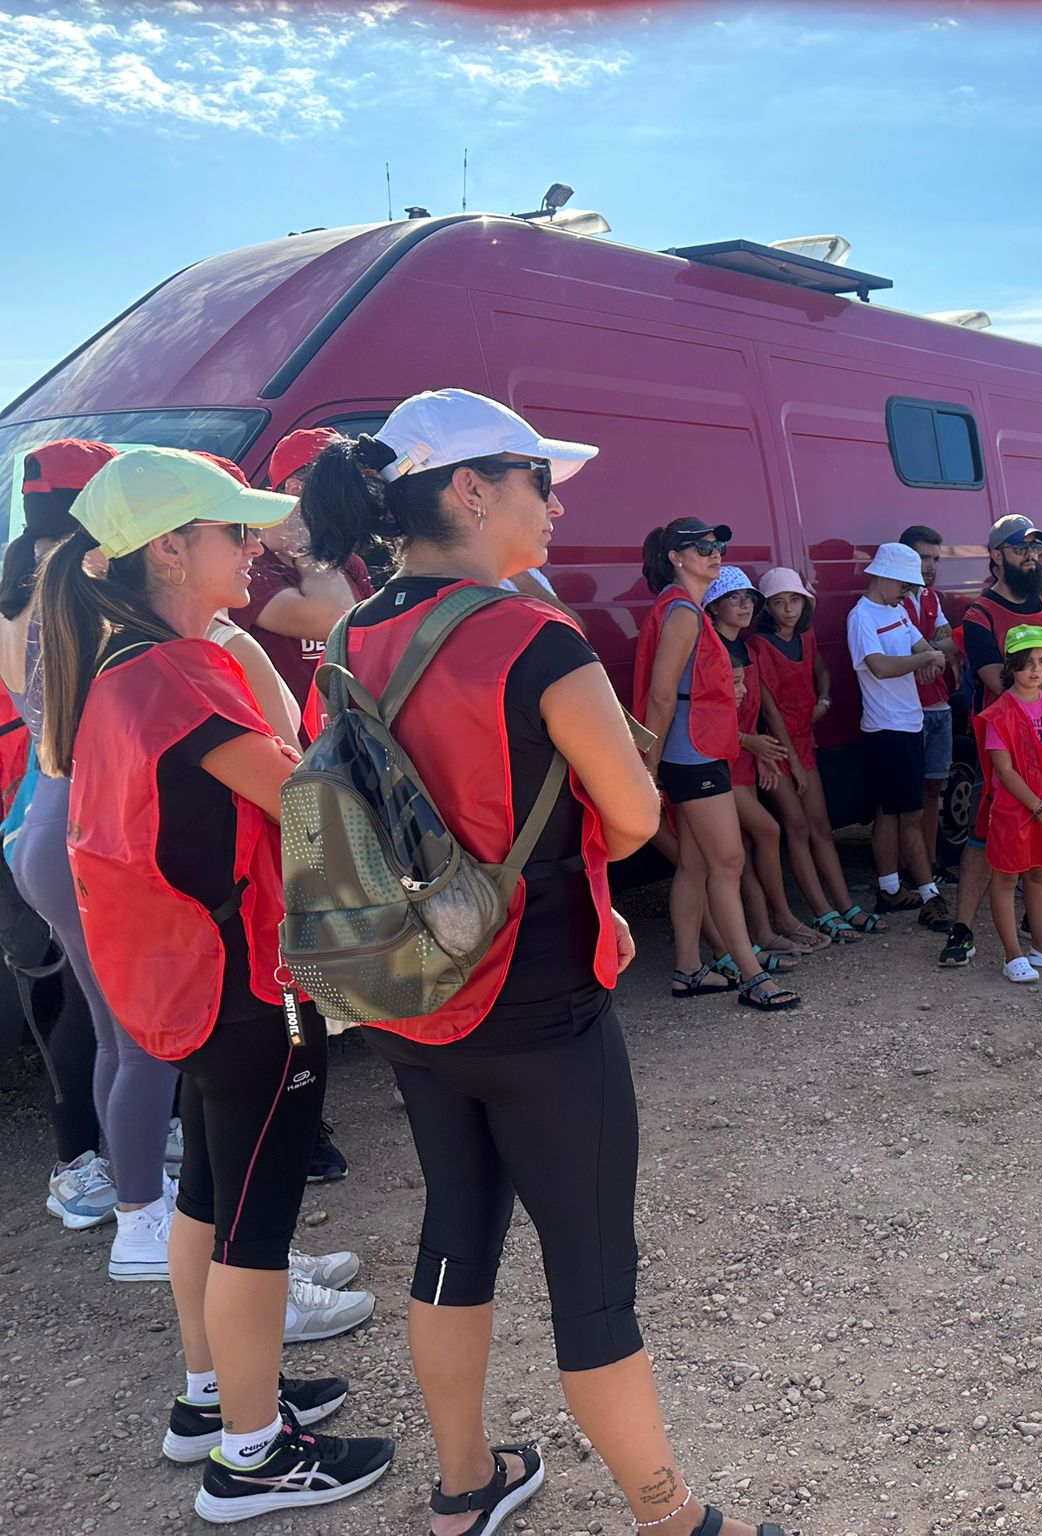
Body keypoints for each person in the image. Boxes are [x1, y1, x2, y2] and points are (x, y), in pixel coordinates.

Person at [299, 392, 788, 1536]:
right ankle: (670, 1518)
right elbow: (633, 815)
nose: (558, 505)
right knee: (592, 1278)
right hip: (537, 994)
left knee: (454, 1237)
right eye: (539, 481)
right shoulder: (535, 637)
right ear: (471, 491)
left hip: (413, 990)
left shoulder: (355, 632)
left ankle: (463, 1484)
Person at [46, 447, 390, 1517]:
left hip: (188, 985)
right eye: (233, 531)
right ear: (167, 549)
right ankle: (252, 1453)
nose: (256, 548)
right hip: (246, 984)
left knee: (207, 1196)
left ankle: (212, 1399)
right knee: (254, 1222)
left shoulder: (122, 666)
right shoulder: (178, 671)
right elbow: (311, 805)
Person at [0, 441, 117, 1234]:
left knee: (76, 991)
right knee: (101, 1003)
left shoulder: (17, 583)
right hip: (83, 805)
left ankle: (90, 1154)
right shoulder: (78, 585)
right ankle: (87, 1163)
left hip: (33, 805)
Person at [638, 516, 799, 1009]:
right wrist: (650, 769)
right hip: (695, 753)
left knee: (693, 865)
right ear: (676, 558)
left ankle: (688, 969)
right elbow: (662, 696)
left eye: (718, 547)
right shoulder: (683, 611)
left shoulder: (679, 606)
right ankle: (752, 976)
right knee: (727, 863)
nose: (715, 554)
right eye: (702, 547)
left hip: (694, 750)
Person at [938, 516, 1042, 968]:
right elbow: (995, 681)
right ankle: (963, 928)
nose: (1031, 557)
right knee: (984, 836)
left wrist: (1027, 674)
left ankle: (1035, 926)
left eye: (1035, 549)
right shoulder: (980, 614)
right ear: (997, 556)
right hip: (1001, 746)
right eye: (1021, 549)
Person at [748, 567, 885, 941]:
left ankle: (846, 906)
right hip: (777, 746)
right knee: (796, 827)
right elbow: (769, 711)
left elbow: (821, 670)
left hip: (803, 742)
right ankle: (823, 913)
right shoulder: (759, 646)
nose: (788, 609)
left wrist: (823, 699)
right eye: (779, 602)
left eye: (794, 600)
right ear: (767, 608)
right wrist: (792, 761)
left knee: (821, 827)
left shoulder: (805, 636)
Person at [704, 568, 828, 962]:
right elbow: (704, 714)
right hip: (718, 760)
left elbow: (755, 708)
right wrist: (749, 743)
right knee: (768, 831)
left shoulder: (742, 647)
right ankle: (778, 920)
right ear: (713, 606)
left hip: (744, 758)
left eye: (749, 598)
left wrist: (760, 752)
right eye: (734, 598)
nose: (745, 606)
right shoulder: (711, 649)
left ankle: (762, 928)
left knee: (743, 846)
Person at [234, 428, 375, 725]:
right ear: (296, 490)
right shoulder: (251, 567)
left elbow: (371, 645)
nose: (356, 498)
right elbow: (333, 620)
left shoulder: (348, 563)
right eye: (341, 487)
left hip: (349, 738)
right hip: (297, 747)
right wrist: (304, 543)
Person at [848, 542, 951, 931]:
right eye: (904, 586)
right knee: (908, 814)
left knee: (891, 812)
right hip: (887, 727)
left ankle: (890, 888)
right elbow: (879, 666)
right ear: (884, 577)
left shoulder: (895, 611)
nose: (908, 594)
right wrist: (925, 659)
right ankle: (928, 894)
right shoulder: (861, 616)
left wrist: (928, 658)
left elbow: (925, 648)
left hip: (907, 723)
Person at [980, 626, 1042, 982]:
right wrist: (1038, 805)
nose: (1035, 669)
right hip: (1016, 811)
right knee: (1006, 878)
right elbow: (1004, 769)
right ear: (1011, 666)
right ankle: (1012, 955)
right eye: (1026, 662)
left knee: (1039, 874)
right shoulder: (1000, 713)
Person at [899, 525, 959, 872]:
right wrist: (933, 653)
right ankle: (908, 868)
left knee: (933, 788)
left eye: (935, 558)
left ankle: (931, 863)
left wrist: (928, 653)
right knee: (907, 795)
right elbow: (898, 650)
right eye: (924, 557)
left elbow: (953, 642)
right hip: (906, 708)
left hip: (938, 702)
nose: (931, 566)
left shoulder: (930, 598)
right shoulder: (891, 601)